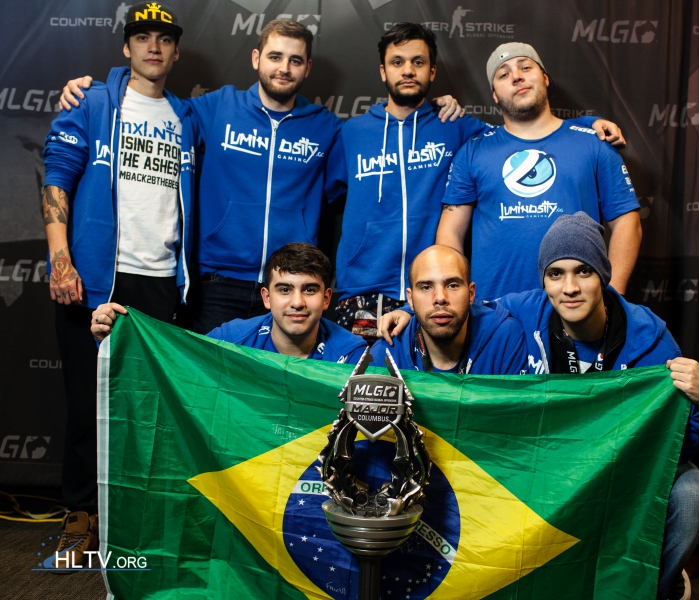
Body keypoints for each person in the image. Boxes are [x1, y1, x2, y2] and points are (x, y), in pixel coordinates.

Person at [58, 20, 464, 336]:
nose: (283, 68)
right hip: (218, 285)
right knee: (212, 396)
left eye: (295, 60)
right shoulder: (215, 107)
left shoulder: (328, 128)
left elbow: (366, 181)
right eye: (275, 57)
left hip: (292, 289)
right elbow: (153, 102)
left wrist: (439, 107)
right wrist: (101, 89)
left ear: (307, 68)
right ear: (256, 59)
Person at [333, 25, 626, 342]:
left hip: (428, 294)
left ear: (432, 71)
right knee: (364, 373)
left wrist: (588, 126)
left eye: (418, 62)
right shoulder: (351, 133)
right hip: (363, 289)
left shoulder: (454, 126)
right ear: (382, 70)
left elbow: (525, 130)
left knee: (422, 375)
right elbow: (326, 193)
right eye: (397, 62)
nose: (407, 70)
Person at [493, 212, 699, 600]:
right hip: (545, 471)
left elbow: (670, 451)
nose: (569, 288)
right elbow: (454, 307)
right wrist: (408, 314)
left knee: (690, 492)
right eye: (556, 274)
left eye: (583, 271)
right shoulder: (522, 311)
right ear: (543, 282)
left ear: (604, 275)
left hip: (623, 475)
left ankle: (655, 586)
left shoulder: (651, 342)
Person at [42, 2, 196, 569]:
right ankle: (80, 515)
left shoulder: (188, 118)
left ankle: (135, 519)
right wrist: (61, 259)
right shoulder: (91, 102)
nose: (153, 46)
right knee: (87, 406)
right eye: (142, 36)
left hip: (159, 282)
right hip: (95, 280)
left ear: (175, 52)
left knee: (147, 413)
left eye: (164, 38)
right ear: (126, 47)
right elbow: (57, 178)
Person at [436, 42, 642, 301]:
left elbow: (627, 221)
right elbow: (450, 233)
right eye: (503, 74)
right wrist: (454, 297)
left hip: (574, 305)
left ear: (545, 79)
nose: (516, 77)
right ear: (495, 96)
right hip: (493, 309)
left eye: (525, 67)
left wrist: (613, 295)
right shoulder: (473, 151)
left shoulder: (594, 143)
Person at [93, 243, 368, 364]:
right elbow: (170, 363)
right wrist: (115, 339)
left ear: (326, 298)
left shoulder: (352, 355)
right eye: (284, 289)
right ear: (266, 298)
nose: (297, 302)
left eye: (309, 290)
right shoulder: (232, 340)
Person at [370, 245, 527, 375]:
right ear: (410, 299)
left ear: (471, 294)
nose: (440, 298)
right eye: (426, 287)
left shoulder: (505, 339)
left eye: (452, 285)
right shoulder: (385, 353)